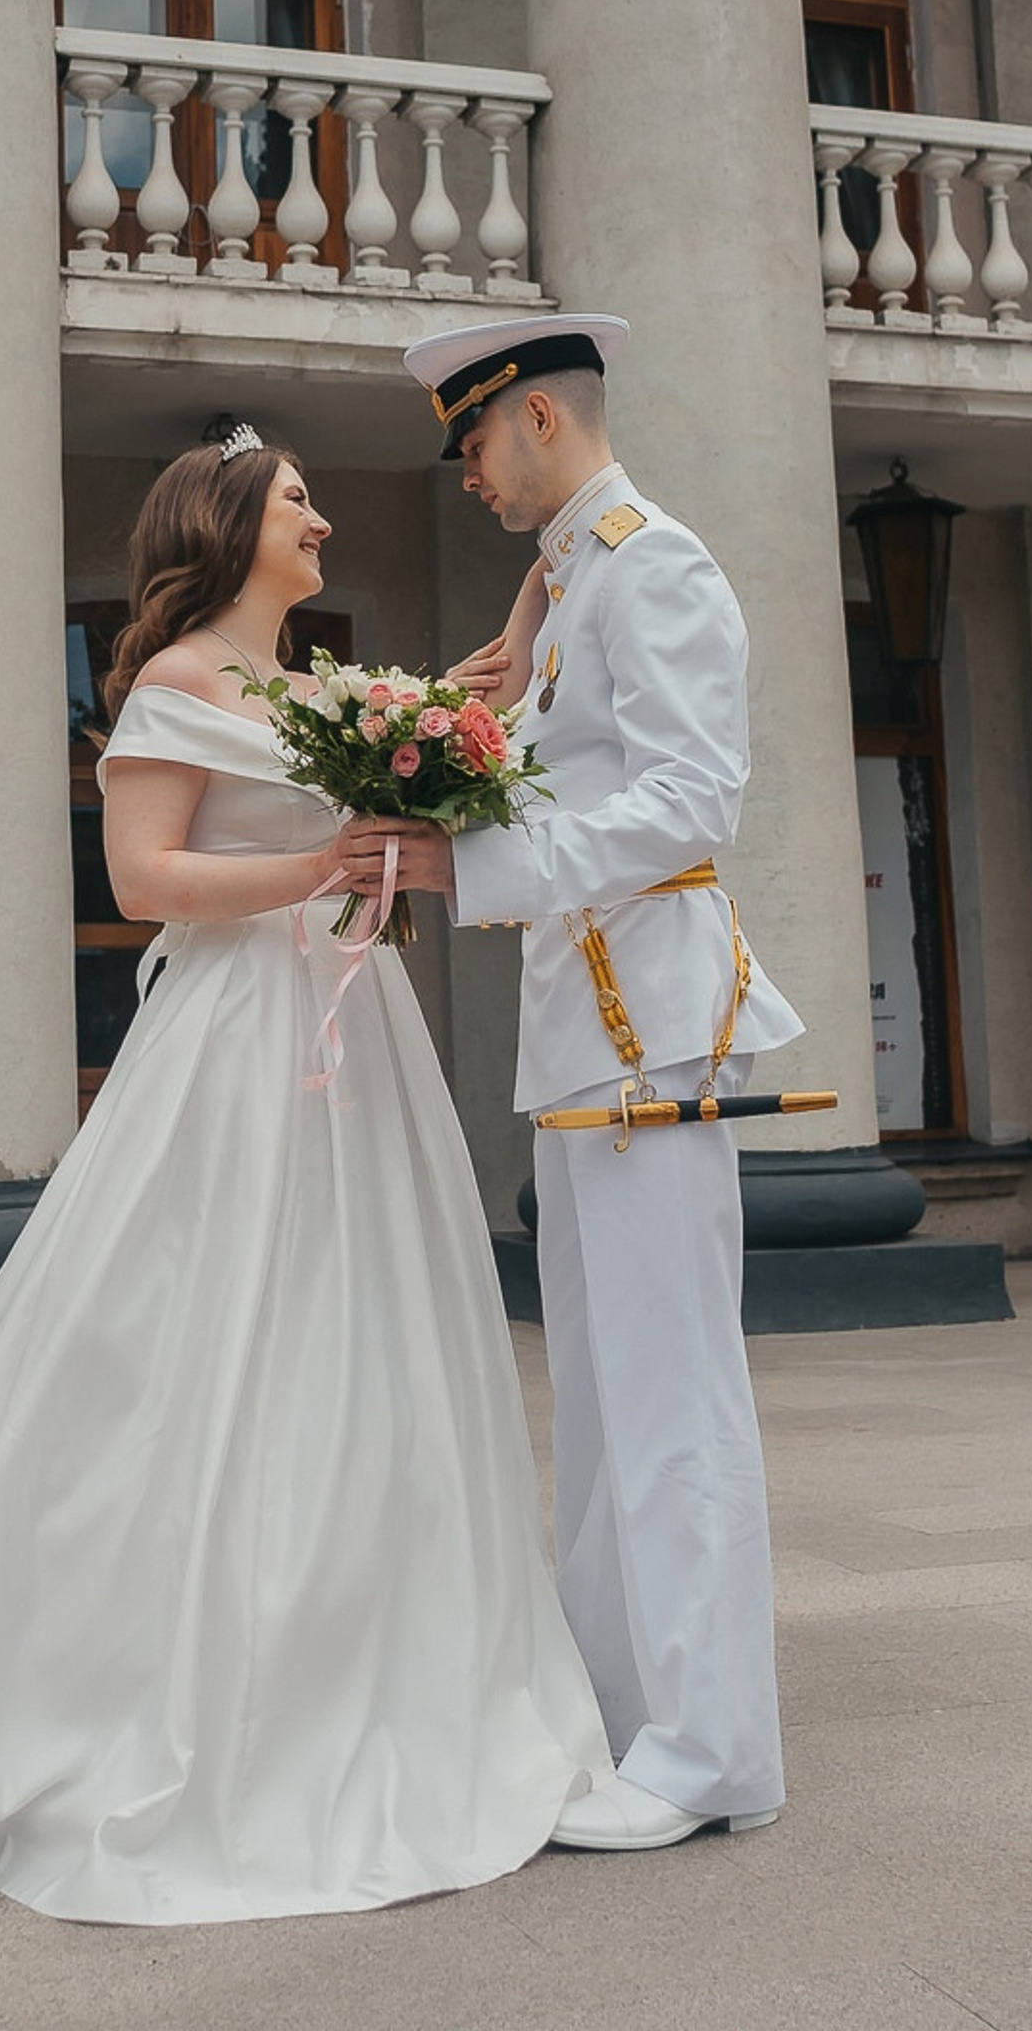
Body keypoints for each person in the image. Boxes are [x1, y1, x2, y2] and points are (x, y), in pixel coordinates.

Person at [0, 427, 610, 1922]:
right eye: (298, 502)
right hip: (242, 1040)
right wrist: (319, 873)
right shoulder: (176, 688)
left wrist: (532, 606)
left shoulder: (323, 693)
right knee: (186, 1339)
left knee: (364, 1338)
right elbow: (147, 883)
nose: (321, 520)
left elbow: (464, 710)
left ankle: (368, 1655)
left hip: (352, 1034)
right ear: (230, 524)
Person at [343, 314, 802, 1853]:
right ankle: (629, 1717)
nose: (465, 476)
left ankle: (712, 1746)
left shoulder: (652, 561)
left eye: (471, 442)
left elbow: (688, 800)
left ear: (535, 416)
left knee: (674, 1398)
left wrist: (463, 857)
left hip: (655, 1027)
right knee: (605, 1404)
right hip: (588, 1040)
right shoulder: (577, 578)